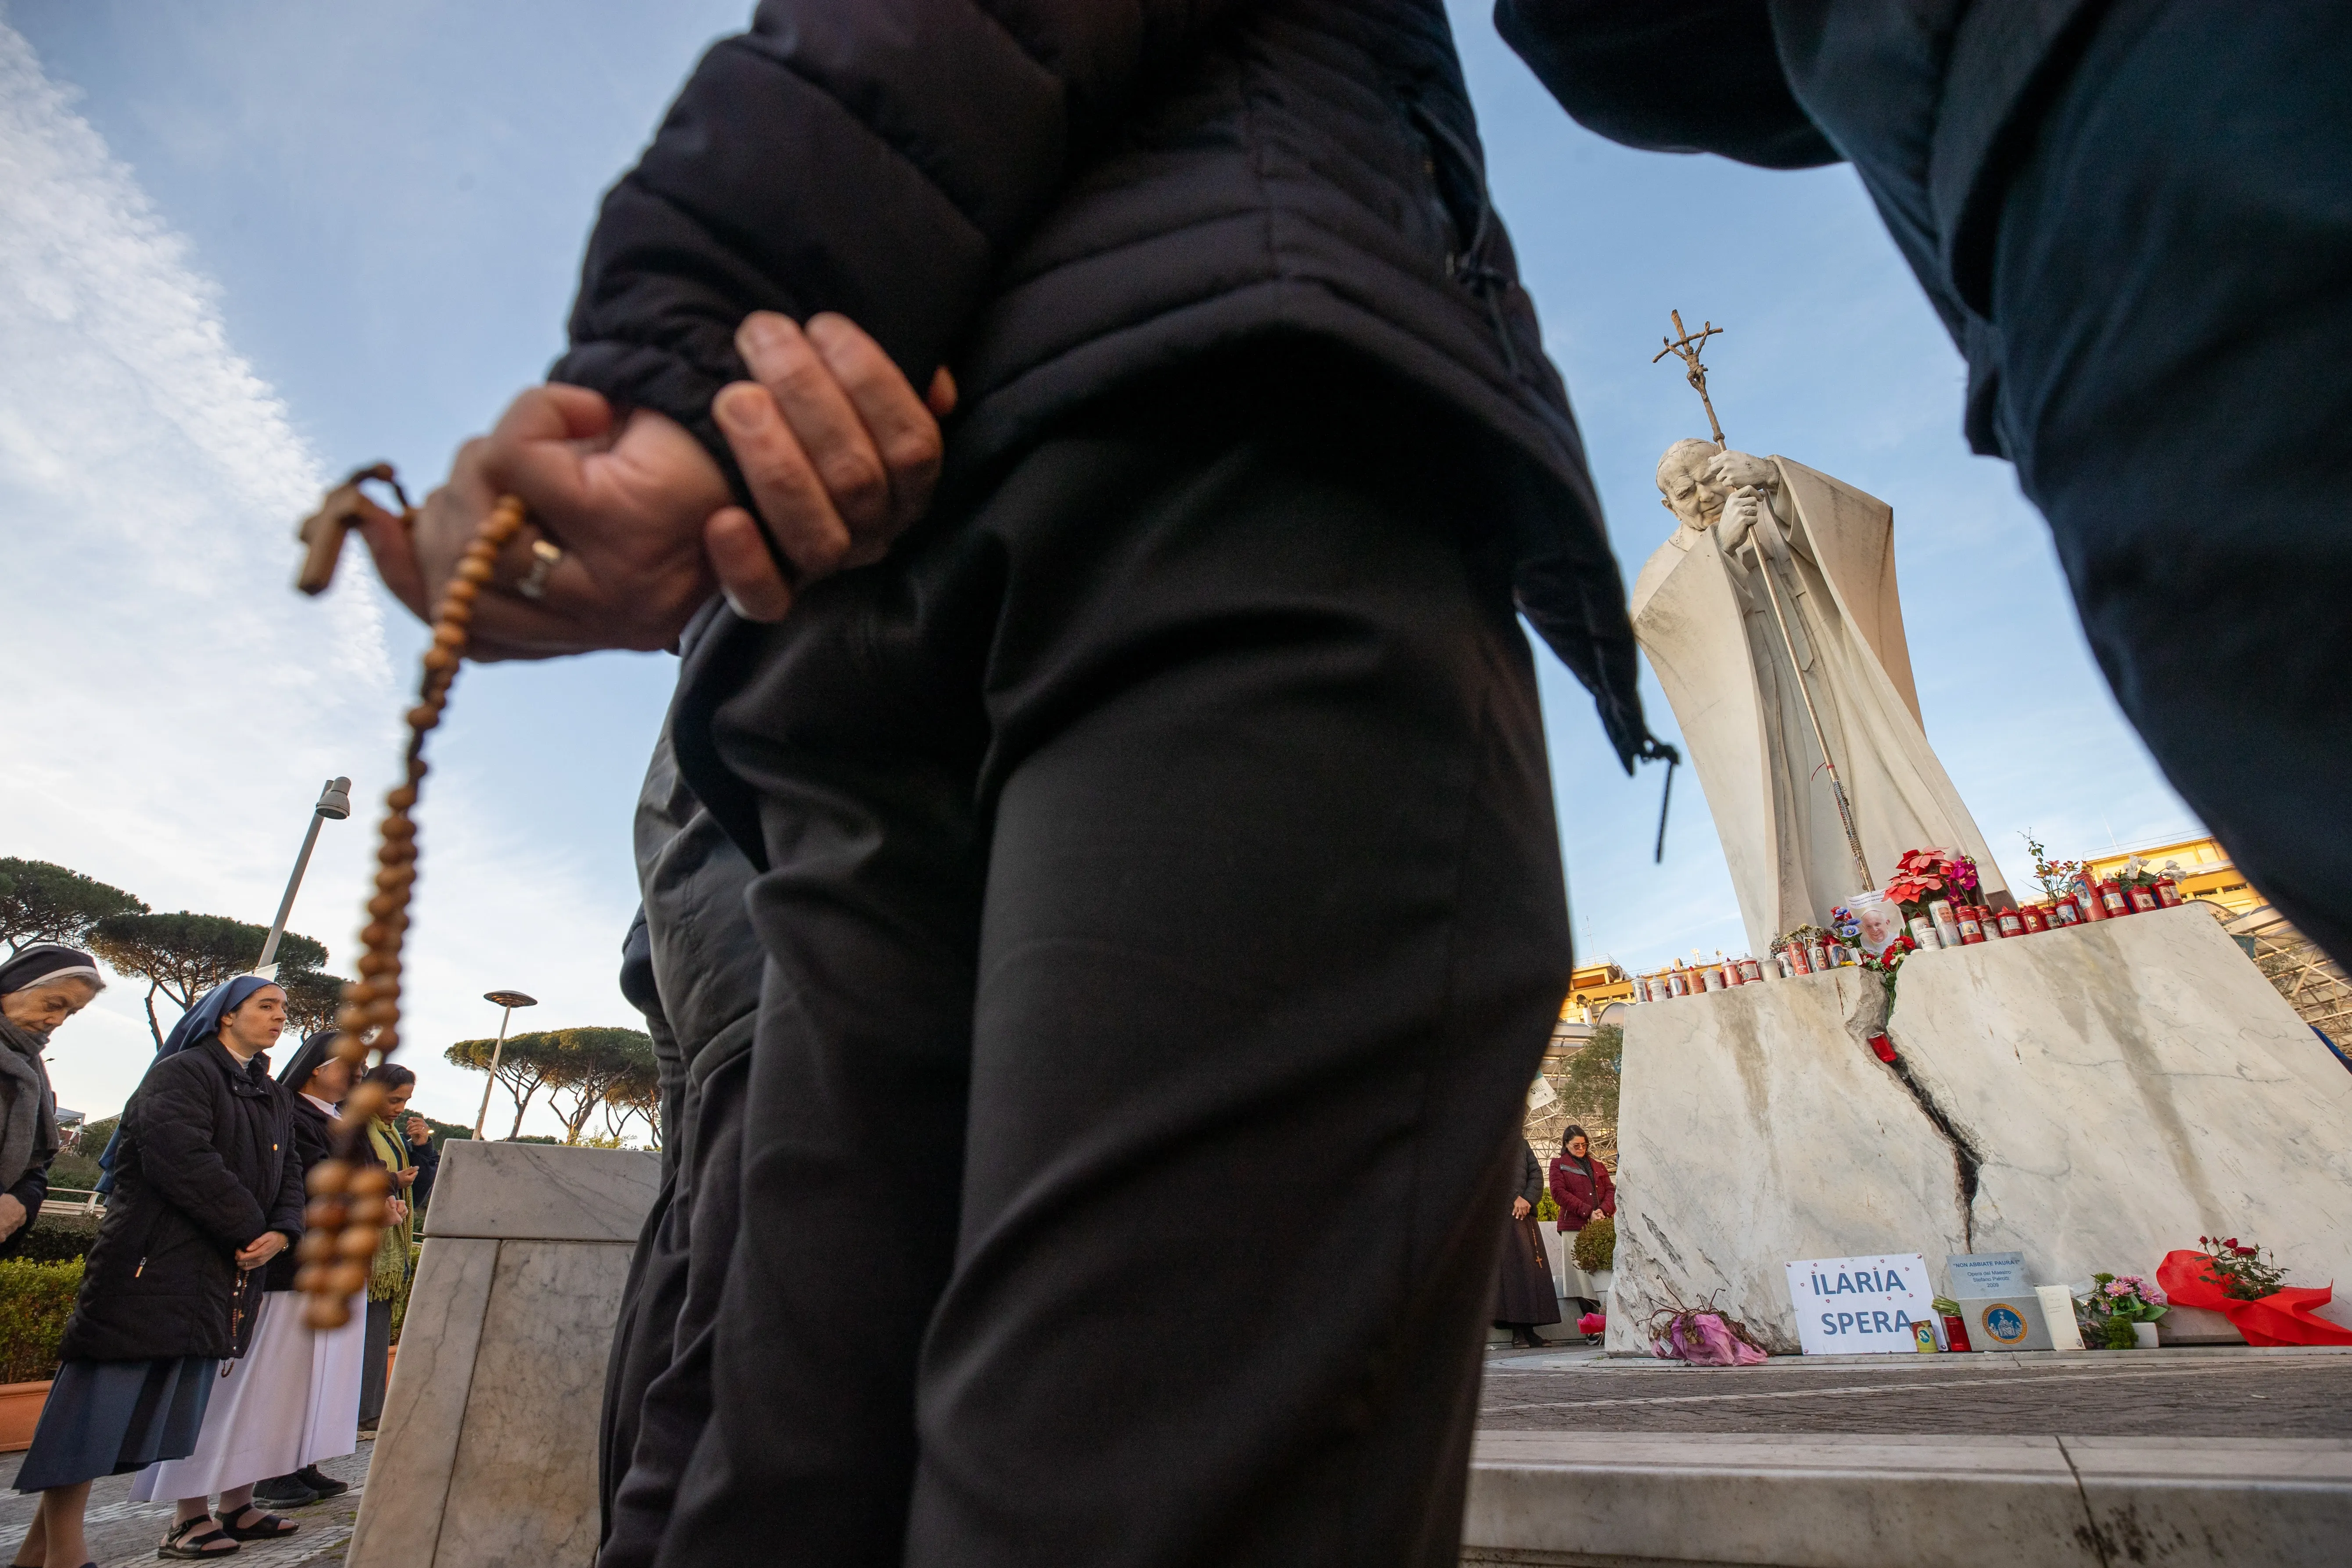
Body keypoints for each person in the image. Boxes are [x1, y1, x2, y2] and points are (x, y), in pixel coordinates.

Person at [352, 4, 1679, 1562]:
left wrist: (689, 362)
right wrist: (680, 370)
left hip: (847, 614)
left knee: (794, 1454)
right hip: (1216, 469)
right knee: (1138, 1452)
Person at [1496, 0, 2352, 973]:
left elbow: (1857, 530)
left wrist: (1775, 493)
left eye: (1704, 475)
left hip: (2034, 157)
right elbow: (1660, 618)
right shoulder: (1669, 563)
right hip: (1773, 724)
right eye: (1686, 488)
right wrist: (1724, 560)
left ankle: (1936, 891)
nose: (1700, 492)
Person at [11, 976, 306, 1567]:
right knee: (91, 1424)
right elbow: (181, 1157)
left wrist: (282, 1230)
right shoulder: (182, 1073)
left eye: (284, 1009)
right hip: (149, 1270)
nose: (280, 1018)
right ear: (226, 1016)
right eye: (266, 1005)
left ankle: (36, 1556)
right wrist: (252, 1226)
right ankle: (66, 1556)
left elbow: (290, 1173)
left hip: (213, 1275)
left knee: (127, 1429)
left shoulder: (270, 1093)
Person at [138, 1030, 367, 1518]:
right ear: (317, 1068)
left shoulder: (342, 1121)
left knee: (273, 1395)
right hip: (275, 1268)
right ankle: (189, 1514)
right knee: (233, 1390)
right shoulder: (282, 1109)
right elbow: (294, 1179)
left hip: (316, 1265)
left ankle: (239, 1502)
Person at [0, 945, 102, 1259]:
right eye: (54, 1004)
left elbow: (37, 1165)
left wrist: (19, 1203)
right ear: (13, 985)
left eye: (69, 1012)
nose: (57, 1020)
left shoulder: (32, 1071)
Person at [352, 1064, 419, 1431]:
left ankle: (369, 1409)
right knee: (358, 1332)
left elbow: (413, 1189)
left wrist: (421, 1153)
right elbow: (350, 1172)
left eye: (405, 1101)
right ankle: (359, 1410)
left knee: (374, 1331)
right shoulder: (358, 1127)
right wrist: (392, 1179)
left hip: (387, 1244)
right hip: (363, 1245)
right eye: (394, 1099)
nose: (399, 1108)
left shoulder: (390, 1133)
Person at [1492, 1137, 1560, 1349]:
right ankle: (1517, 1332)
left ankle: (1530, 1330)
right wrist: (1515, 1198)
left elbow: (1536, 1174)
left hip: (1526, 1215)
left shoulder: (1521, 1142)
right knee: (1513, 1277)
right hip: (1504, 1217)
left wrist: (1528, 1200)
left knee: (1533, 1274)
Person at [1548, 1124, 1616, 1333]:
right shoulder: (1559, 1165)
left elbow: (1611, 1190)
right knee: (1581, 1279)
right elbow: (1559, 1193)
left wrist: (1603, 1210)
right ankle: (1592, 1329)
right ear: (1566, 1144)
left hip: (1600, 1225)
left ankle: (1607, 1326)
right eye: (1576, 1145)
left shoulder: (1597, 1165)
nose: (1581, 1148)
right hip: (1575, 1226)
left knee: (1603, 1274)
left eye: (1584, 1145)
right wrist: (1588, 1211)